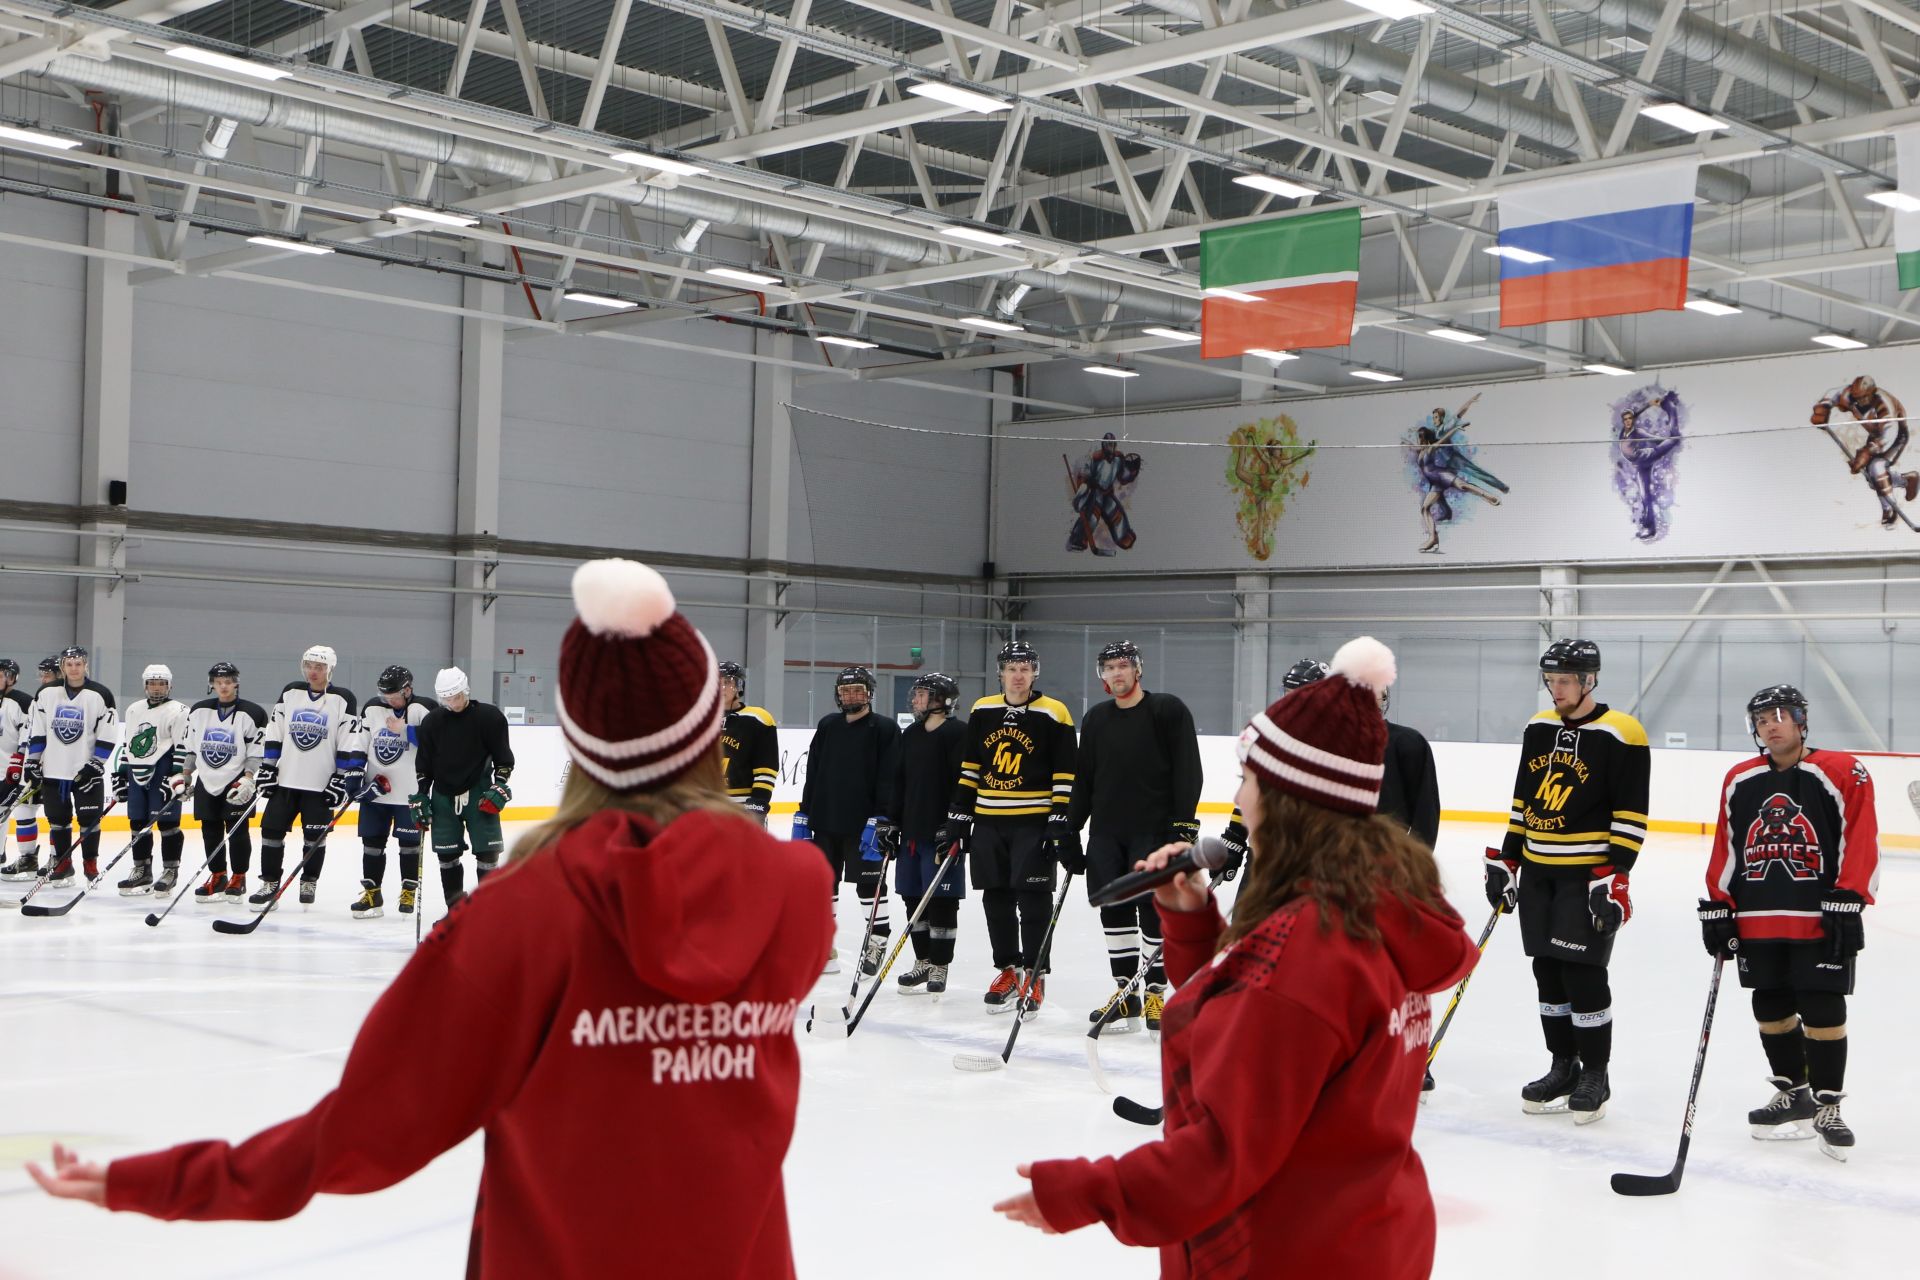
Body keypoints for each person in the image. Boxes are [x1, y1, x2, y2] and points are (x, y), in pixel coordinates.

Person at [29, 557, 834, 1280]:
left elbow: (359, 1134)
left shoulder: (523, 915)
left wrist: (148, 1182)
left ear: (581, 742)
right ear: (707, 730)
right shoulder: (798, 890)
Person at [993, 637, 1476, 1276]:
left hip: (1284, 1249)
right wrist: (1195, 930)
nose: (1239, 798)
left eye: (1249, 778)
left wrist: (1089, 1191)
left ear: (1289, 798)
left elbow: (1225, 1153)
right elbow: (1260, 1026)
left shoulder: (1309, 949)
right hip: (1365, 1235)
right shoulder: (1367, 904)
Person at [1699, 685, 1877, 1160]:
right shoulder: (1740, 777)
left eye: (1779, 715)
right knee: (1770, 1007)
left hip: (1818, 914)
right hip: (1757, 914)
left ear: (1801, 720)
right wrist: (1718, 902)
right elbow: (1728, 845)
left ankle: (1826, 1106)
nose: (1770, 724)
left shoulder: (1842, 770)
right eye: (1760, 719)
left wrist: (1850, 897)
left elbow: (1861, 837)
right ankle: (1793, 1093)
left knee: (1822, 1009)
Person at [1484, 639, 1649, 1123]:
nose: (1555, 689)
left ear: (1589, 681)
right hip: (1539, 872)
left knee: (1583, 972)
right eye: (1550, 680)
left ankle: (1596, 1072)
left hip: (1587, 877)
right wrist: (1508, 861)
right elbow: (1522, 802)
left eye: (1565, 681)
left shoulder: (1622, 733)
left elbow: (1632, 812)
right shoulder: (1538, 728)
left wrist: (1616, 875)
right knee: (1547, 972)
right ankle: (1563, 1065)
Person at [1068, 640, 1202, 1034]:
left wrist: (1184, 825)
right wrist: (1068, 830)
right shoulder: (1096, 719)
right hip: (1107, 831)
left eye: (1123, 666)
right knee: (1114, 910)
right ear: (1102, 676)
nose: (1116, 673)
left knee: (1153, 910)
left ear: (1138, 670)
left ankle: (1155, 991)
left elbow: (1187, 769)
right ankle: (1125, 992)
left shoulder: (1167, 709)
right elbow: (1085, 779)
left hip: (1155, 830)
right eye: (1109, 668)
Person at [942, 640, 1077, 1017]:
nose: (1018, 675)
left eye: (1025, 668)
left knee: (1033, 901)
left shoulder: (1055, 713)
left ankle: (1035, 974)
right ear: (1000, 672)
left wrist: (1059, 816)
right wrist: (959, 813)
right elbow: (971, 767)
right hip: (988, 821)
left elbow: (1066, 771)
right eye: (1011, 668)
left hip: (1032, 823)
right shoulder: (983, 709)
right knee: (995, 901)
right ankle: (1008, 971)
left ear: (1035, 672)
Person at [792, 665, 898, 977]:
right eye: (846, 690)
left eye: (858, 689)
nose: (851, 695)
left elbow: (890, 776)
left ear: (870, 693)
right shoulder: (828, 726)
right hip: (825, 820)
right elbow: (814, 771)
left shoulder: (884, 729)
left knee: (868, 885)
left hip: (864, 823)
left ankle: (878, 938)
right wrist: (804, 811)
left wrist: (881, 816)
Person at [253, 647, 365, 910]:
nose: (313, 672)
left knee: (314, 838)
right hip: (286, 780)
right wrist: (268, 766)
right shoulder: (291, 691)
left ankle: (309, 880)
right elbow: (276, 729)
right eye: (308, 665)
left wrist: (340, 777)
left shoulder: (342, 698)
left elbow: (347, 739)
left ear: (330, 670)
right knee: (270, 831)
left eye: (319, 667)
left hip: (320, 784)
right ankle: (269, 882)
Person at [883, 672, 969, 994]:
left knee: (942, 900)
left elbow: (964, 783)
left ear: (942, 700)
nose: (916, 699)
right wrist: (892, 821)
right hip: (912, 833)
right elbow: (900, 781)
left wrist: (956, 823)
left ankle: (939, 965)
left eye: (923, 694)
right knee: (912, 898)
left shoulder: (958, 733)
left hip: (941, 833)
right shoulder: (911, 734)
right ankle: (922, 961)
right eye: (917, 694)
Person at [8, 646, 117, 888]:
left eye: (78, 664)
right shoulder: (46, 693)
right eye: (69, 664)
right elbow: (38, 730)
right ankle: (63, 865)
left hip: (85, 772)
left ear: (85, 665)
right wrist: (33, 763)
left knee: (89, 820)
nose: (74, 668)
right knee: (58, 821)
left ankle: (90, 863)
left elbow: (108, 732)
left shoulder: (100, 694)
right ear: (63, 667)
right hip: (54, 770)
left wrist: (95, 764)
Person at [412, 667, 515, 909]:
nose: (453, 702)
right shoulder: (432, 722)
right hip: (442, 795)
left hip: (479, 791)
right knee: (447, 856)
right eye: (446, 698)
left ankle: (486, 914)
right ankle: (455, 912)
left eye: (456, 696)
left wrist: (499, 784)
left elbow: (504, 758)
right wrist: (421, 794)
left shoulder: (490, 717)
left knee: (487, 855)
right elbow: (424, 764)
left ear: (465, 690)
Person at [176, 662, 270, 906]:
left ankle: (239, 877)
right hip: (207, 781)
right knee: (210, 831)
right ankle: (218, 876)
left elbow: (255, 751)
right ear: (212, 684)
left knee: (237, 831)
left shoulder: (253, 713)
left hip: (237, 782)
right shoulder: (198, 711)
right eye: (219, 682)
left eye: (228, 682)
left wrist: (249, 778)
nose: (223, 686)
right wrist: (186, 775)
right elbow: (192, 749)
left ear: (236, 683)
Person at [353, 666, 437, 919]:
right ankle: (372, 894)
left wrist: (406, 730)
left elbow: (437, 742)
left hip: (410, 794)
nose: (389, 700)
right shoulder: (372, 708)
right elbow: (359, 743)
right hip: (376, 792)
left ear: (408, 689)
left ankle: (408, 891)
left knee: (409, 846)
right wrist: (355, 775)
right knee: (371, 844)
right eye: (385, 695)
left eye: (394, 696)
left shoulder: (425, 708)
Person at [114, 664, 192, 897]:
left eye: (161, 683)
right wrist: (121, 773)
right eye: (152, 683)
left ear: (169, 685)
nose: (156, 688)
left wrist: (178, 776)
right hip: (137, 772)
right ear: (145, 685)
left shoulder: (179, 710)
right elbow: (130, 743)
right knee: (137, 823)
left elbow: (182, 746)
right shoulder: (133, 709)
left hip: (163, 772)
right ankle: (142, 869)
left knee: (168, 824)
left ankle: (170, 871)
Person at [718, 662, 778, 825]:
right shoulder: (702, 720)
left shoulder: (758, 719)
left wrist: (758, 803)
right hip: (707, 806)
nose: (722, 688)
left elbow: (766, 768)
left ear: (739, 685)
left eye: (728, 682)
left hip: (743, 808)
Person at [0, 658, 41, 880]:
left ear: (12, 678)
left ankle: (28, 858)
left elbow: (31, 735)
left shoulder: (24, 702)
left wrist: (25, 763)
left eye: (2, 675)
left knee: (12, 813)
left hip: (13, 770)